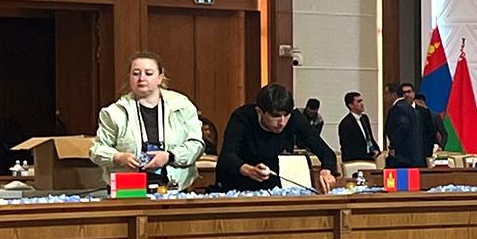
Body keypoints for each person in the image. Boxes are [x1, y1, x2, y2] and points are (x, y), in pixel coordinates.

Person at [90, 51, 204, 192]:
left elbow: (196, 144)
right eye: (136, 73)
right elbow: (97, 150)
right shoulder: (114, 112)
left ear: (160, 78)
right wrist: (119, 157)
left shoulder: (182, 106)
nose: (141, 78)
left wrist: (170, 156)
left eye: (148, 73)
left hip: (173, 187)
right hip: (128, 189)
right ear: (129, 77)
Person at [217, 83, 339, 191]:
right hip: (237, 186)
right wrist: (249, 170)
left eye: (286, 115)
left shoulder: (295, 118)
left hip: (274, 187)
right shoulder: (242, 118)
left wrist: (326, 171)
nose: (282, 122)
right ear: (259, 112)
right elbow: (227, 157)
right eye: (275, 116)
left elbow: (326, 152)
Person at [386, 81, 436, 169]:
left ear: (393, 95)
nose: (384, 97)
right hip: (416, 158)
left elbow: (402, 126)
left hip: (403, 159)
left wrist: (393, 146)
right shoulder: (413, 110)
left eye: (386, 94)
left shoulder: (397, 109)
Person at [338, 91, 380, 164]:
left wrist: (376, 150)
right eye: (358, 101)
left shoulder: (364, 118)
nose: (362, 104)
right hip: (355, 160)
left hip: (370, 157)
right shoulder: (345, 123)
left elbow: (369, 138)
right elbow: (347, 147)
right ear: (351, 105)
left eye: (362, 101)